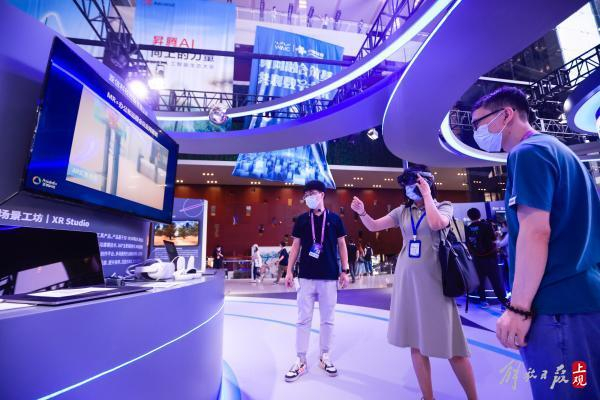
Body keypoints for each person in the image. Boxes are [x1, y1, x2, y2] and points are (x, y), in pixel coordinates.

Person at [471, 86, 600, 399]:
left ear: (506, 115)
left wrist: (518, 308)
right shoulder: (562, 153)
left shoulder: (527, 153)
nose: (476, 132)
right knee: (583, 388)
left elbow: (535, 231)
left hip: (556, 309)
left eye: (478, 124)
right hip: (583, 300)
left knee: (563, 391)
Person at [351, 166, 478, 400]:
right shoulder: (402, 211)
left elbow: (437, 223)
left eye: (416, 184)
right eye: (408, 186)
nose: (411, 189)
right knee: (416, 342)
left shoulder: (443, 206)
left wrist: (427, 195)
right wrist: (362, 212)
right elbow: (374, 226)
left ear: (427, 184)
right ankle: (428, 397)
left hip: (435, 281)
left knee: (453, 346)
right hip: (407, 281)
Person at [284, 180, 350, 382]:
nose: (309, 197)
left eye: (312, 193)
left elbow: (342, 245)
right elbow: (295, 246)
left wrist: (345, 271)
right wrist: (289, 271)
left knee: (328, 319)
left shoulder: (335, 219)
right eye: (306, 194)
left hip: (329, 277)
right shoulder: (302, 220)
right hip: (305, 277)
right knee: (303, 319)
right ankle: (301, 359)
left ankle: (324, 356)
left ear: (322, 194)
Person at [465, 208, 507, 308]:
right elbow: (493, 239)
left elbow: (468, 243)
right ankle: (504, 302)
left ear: (469, 217)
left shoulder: (468, 228)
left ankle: (483, 301)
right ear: (479, 215)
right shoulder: (486, 225)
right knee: (496, 281)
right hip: (490, 257)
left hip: (477, 258)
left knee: (480, 281)